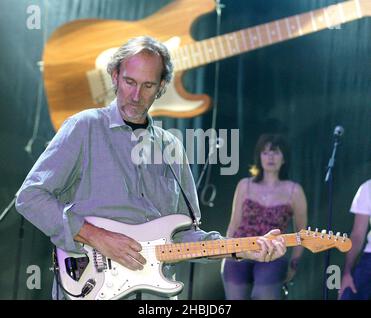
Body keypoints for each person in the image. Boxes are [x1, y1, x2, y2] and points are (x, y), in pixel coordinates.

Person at [15, 36, 286, 300]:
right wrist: (97, 237)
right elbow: (30, 197)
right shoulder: (84, 127)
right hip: (91, 285)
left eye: (147, 85)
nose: (135, 95)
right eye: (129, 82)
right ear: (114, 76)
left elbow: (184, 236)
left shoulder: (172, 149)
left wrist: (242, 249)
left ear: (162, 86)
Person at [221, 133, 308, 300]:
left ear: (284, 158)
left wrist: (294, 264)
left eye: (275, 152)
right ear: (259, 156)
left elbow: (302, 232)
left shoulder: (294, 190)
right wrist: (226, 254)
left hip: (272, 253)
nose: (270, 157)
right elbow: (234, 224)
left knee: (263, 296)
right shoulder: (245, 185)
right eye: (265, 152)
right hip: (240, 249)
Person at [338, 179, 371, 300]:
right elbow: (357, 235)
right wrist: (347, 273)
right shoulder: (367, 187)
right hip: (369, 259)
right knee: (349, 294)